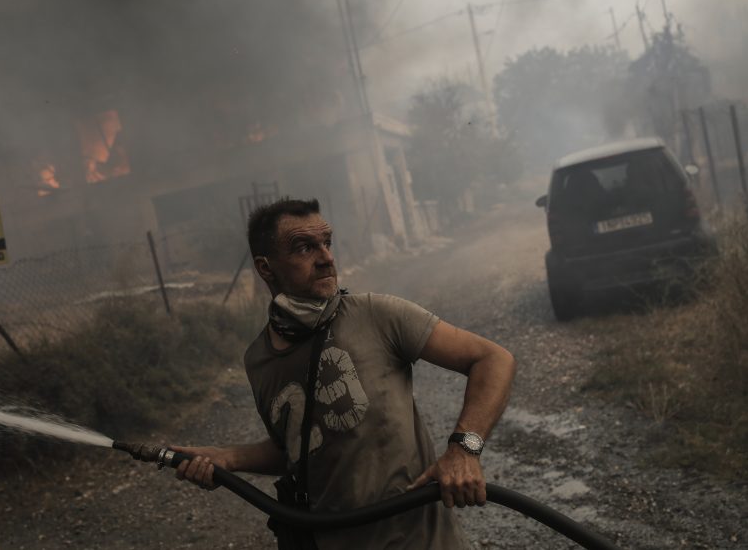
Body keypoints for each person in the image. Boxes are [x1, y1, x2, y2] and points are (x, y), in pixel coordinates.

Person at [171, 198, 515, 549]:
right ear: (265, 268)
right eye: (304, 247)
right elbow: (301, 447)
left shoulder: (376, 315)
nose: (326, 258)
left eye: (327, 243)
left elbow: (492, 359)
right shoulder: (258, 360)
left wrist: (464, 449)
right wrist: (227, 458)